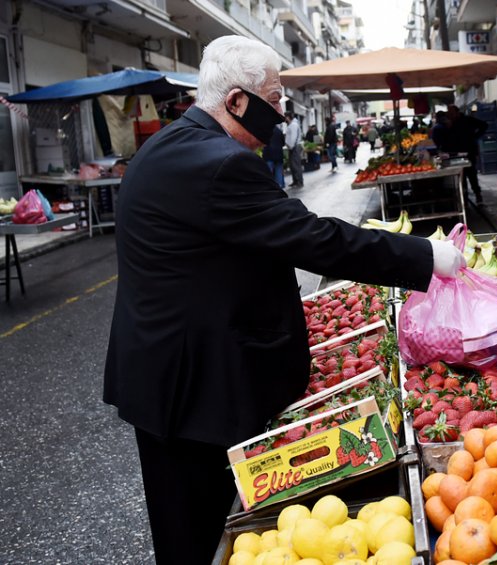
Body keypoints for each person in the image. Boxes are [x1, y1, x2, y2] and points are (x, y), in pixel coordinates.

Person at [102, 35, 465, 565]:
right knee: (195, 534)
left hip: (165, 372)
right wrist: (424, 257)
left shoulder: (170, 144)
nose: (283, 115)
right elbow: (314, 239)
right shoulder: (220, 164)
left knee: (187, 525)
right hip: (192, 387)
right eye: (274, 101)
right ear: (236, 102)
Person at [445, 104, 488, 205]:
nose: (449, 115)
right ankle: (464, 197)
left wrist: (475, 136)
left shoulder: (468, 120)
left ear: (456, 112)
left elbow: (484, 125)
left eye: (451, 112)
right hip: (456, 154)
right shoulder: (451, 123)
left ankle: (478, 195)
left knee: (472, 174)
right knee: (461, 176)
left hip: (469, 151)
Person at [262, 121, 286, 188]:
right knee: (279, 171)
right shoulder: (279, 131)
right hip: (279, 154)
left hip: (269, 154)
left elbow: (263, 142)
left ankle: (270, 187)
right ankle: (280, 186)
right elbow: (283, 143)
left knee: (269, 172)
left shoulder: (266, 131)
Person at [284, 111, 303, 187]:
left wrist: (290, 146)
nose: (284, 119)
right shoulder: (292, 124)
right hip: (292, 147)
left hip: (294, 147)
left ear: (288, 117)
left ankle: (299, 181)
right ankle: (295, 180)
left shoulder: (293, 125)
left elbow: (293, 137)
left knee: (295, 164)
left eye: (285, 117)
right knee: (292, 165)